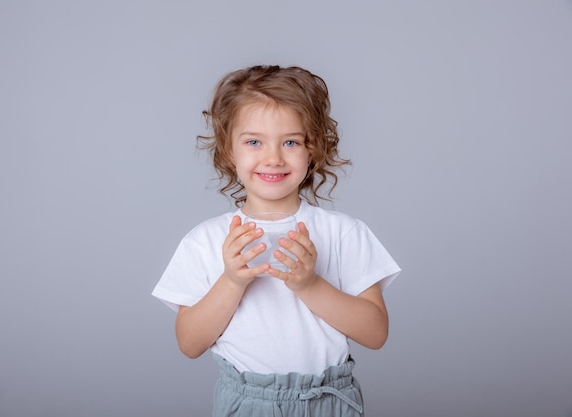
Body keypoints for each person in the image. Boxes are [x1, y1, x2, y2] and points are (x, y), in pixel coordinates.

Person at [152, 65, 401, 417]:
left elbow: (376, 334)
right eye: (254, 141)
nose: (273, 157)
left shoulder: (343, 233)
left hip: (327, 400)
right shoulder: (204, 241)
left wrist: (310, 284)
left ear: (312, 148)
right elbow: (190, 344)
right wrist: (233, 280)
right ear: (228, 150)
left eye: (291, 142)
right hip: (249, 401)